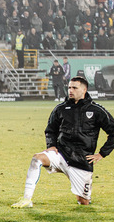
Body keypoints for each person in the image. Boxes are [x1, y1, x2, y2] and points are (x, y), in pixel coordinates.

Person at [14, 76, 114, 208]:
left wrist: (102, 154)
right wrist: (51, 145)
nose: (70, 90)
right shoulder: (60, 108)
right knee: (37, 159)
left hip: (81, 161)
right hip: (61, 154)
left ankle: (84, 196)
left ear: (84, 90)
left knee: (83, 202)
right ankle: (27, 199)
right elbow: (50, 130)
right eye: (69, 87)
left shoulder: (96, 110)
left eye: (74, 88)